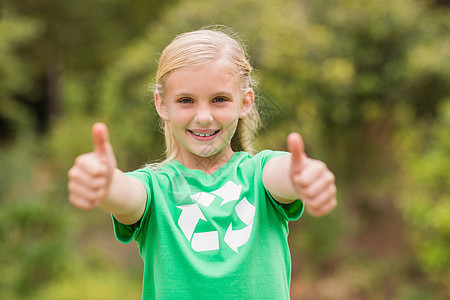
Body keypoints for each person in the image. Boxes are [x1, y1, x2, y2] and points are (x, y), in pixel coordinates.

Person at [68, 27, 337, 299]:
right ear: (162, 105)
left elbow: (285, 174)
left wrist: (302, 176)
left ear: (245, 102)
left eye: (219, 99)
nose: (204, 116)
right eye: (186, 100)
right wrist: (106, 182)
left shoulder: (260, 175)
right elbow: (126, 194)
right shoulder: (154, 189)